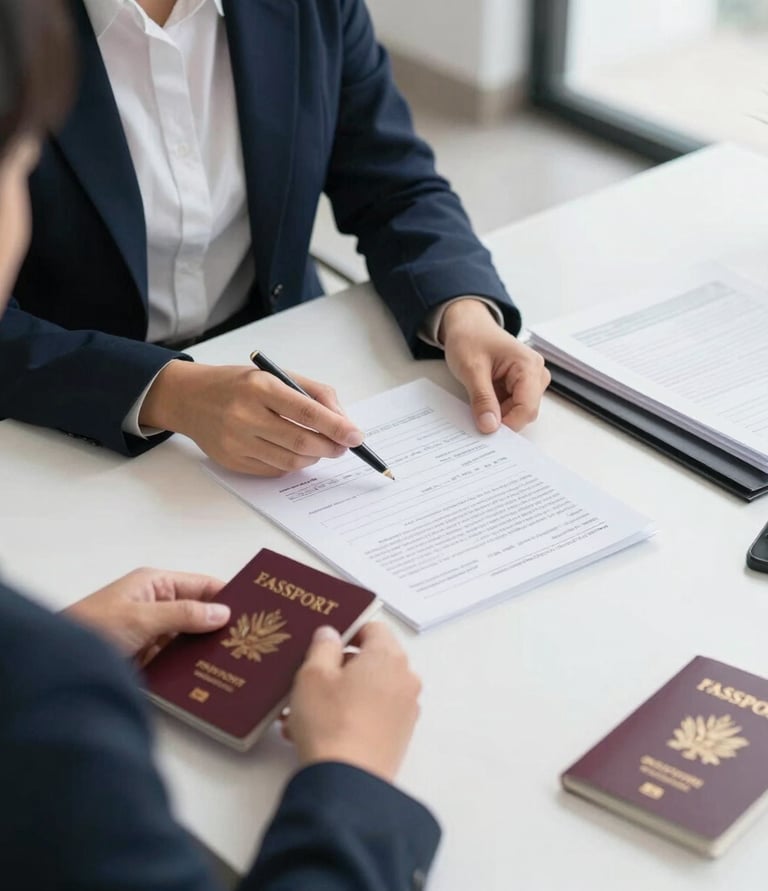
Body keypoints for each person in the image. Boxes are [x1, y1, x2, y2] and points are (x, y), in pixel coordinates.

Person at [0, 4, 440, 886]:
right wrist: (351, 777)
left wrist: (458, 303)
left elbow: (391, 173)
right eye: (17, 163)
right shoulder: (49, 701)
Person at [0, 0, 550, 477]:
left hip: (285, 353)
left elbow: (392, 177)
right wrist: (168, 392)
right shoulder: (17, 27)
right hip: (69, 407)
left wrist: (464, 311)